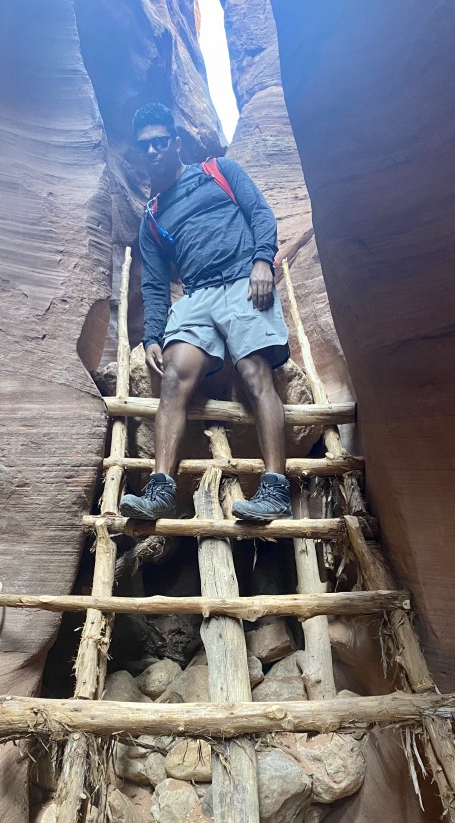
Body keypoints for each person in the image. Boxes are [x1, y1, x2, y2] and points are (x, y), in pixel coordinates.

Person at [118, 102, 292, 523]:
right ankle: (160, 490)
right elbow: (155, 284)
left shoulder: (218, 171)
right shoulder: (152, 216)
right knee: (173, 376)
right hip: (197, 297)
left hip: (242, 280)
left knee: (254, 370)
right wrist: (153, 335)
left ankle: (275, 490)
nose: (153, 150)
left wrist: (262, 261)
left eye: (161, 141)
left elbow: (259, 212)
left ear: (176, 143)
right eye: (145, 145)